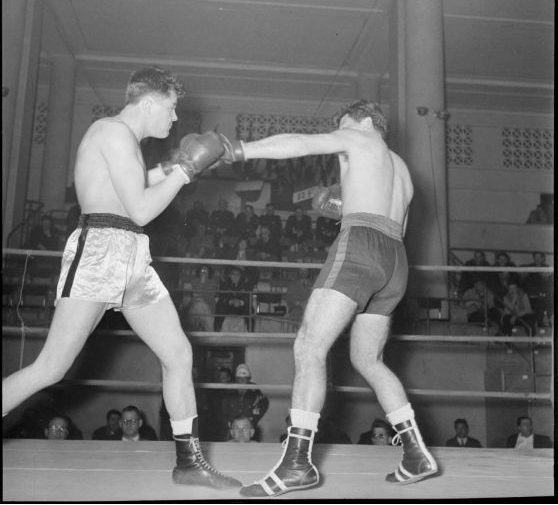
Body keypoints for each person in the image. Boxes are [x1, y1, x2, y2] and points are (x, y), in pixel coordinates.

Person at [1, 67, 240, 489]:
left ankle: (189, 462)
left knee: (179, 355)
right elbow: (142, 209)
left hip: (132, 255)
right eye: (170, 108)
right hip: (100, 251)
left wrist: (175, 166)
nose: (173, 119)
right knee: (52, 366)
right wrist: (184, 173)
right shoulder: (111, 131)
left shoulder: (124, 141)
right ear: (148, 102)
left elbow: (135, 184)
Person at [219, 99, 437, 496]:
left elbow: (301, 143)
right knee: (368, 360)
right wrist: (341, 204)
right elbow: (394, 223)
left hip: (361, 246)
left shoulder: (359, 138)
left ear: (369, 121)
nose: (340, 131)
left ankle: (298, 464)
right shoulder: (402, 169)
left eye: (345, 123)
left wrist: (241, 149)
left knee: (309, 346)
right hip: (395, 260)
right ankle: (415, 453)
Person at [215, 364, 269, 441]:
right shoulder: (229, 390)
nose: (242, 381)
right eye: (239, 379)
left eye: (245, 378)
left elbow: (264, 403)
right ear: (236, 379)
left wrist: (255, 418)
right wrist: (226, 422)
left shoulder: (255, 390)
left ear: (249, 379)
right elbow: (220, 408)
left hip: (248, 428)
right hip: (232, 427)